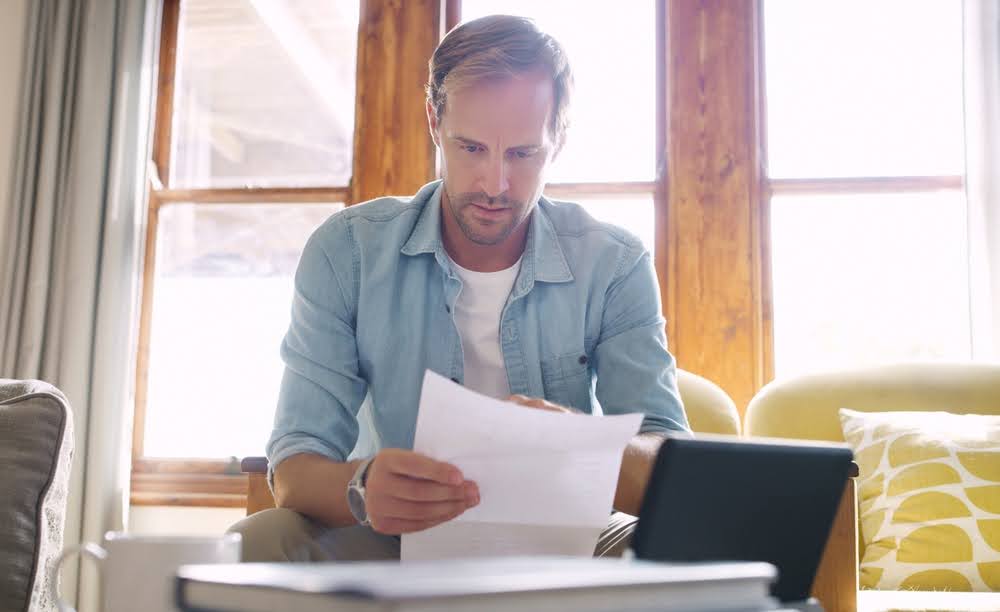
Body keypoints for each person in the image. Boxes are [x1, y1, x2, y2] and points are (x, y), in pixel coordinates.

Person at [229, 14, 689, 563]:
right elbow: (294, 467)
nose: (495, 184)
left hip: (568, 542)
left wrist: (578, 445)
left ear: (558, 140)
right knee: (258, 541)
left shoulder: (614, 263)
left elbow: (668, 459)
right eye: (470, 148)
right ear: (433, 122)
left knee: (687, 547)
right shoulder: (346, 253)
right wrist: (364, 488)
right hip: (391, 537)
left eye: (523, 154)